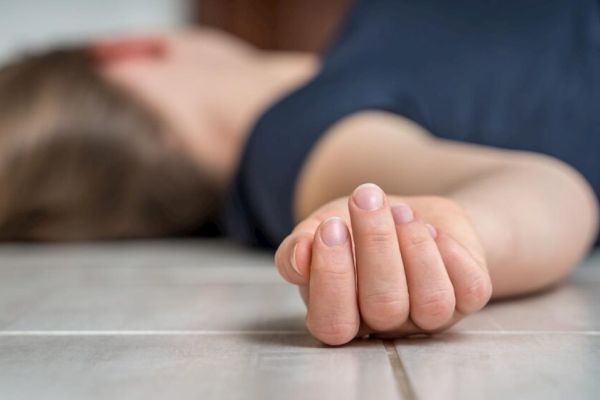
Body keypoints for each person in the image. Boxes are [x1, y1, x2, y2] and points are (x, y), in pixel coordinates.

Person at [0, 0, 598, 345]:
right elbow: (548, 190)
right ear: (126, 50)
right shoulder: (294, 143)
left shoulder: (333, 80)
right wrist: (450, 239)